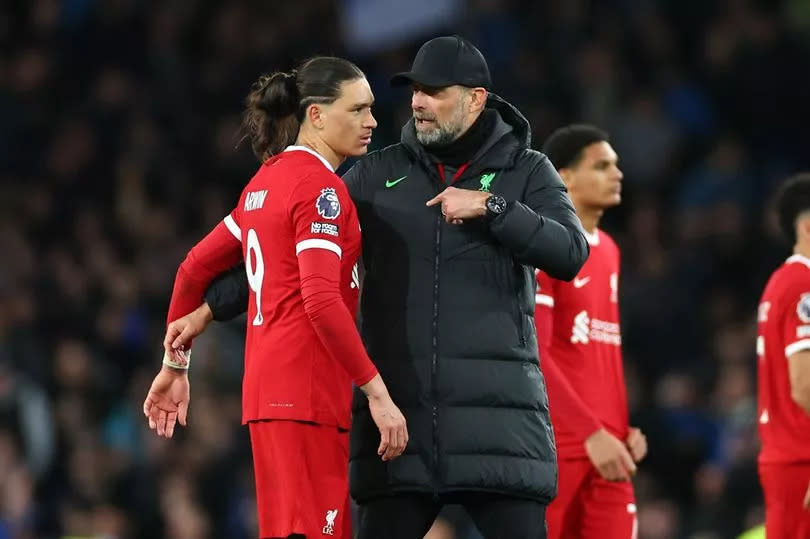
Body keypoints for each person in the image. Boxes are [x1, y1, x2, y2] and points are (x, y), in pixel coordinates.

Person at [170, 35, 589, 539]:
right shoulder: (374, 176)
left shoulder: (527, 172)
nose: (418, 103)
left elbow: (570, 253)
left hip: (496, 433)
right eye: (415, 90)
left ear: (476, 99)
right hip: (399, 436)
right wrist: (209, 310)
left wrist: (494, 208)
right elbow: (290, 260)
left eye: (434, 92)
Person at [142, 56, 408, 539]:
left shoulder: (262, 185)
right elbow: (321, 301)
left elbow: (193, 269)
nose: (372, 122)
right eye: (358, 110)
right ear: (316, 115)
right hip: (308, 393)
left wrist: (175, 364)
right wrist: (377, 392)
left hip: (267, 396)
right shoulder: (320, 190)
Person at [536, 124, 647, 539]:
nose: (616, 174)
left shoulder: (610, 251)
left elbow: (605, 348)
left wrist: (622, 427)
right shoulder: (544, 244)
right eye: (601, 166)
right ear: (564, 177)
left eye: (616, 165)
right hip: (562, 446)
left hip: (608, 448)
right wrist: (590, 432)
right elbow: (537, 353)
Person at [756, 173, 810, 537]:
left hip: (789, 457)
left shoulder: (783, 282)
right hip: (802, 460)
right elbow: (805, 385)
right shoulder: (802, 284)